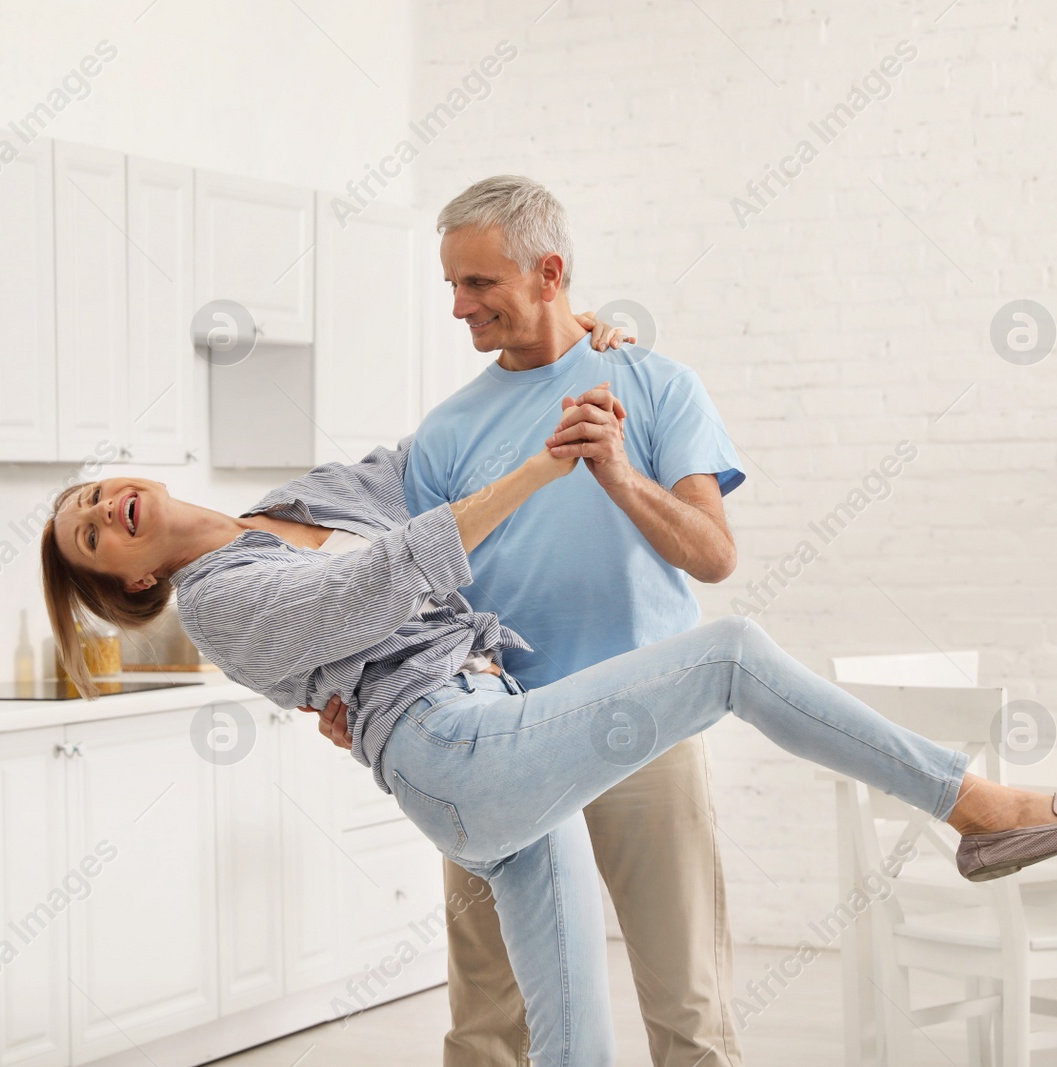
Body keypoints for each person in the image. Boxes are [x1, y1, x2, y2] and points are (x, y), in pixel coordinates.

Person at [38, 426, 1057, 1067]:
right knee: (729, 655)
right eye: (90, 533)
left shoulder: (299, 495)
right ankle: (972, 806)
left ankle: (975, 810)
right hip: (453, 748)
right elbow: (369, 583)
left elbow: (427, 451)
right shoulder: (220, 599)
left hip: (483, 728)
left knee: (574, 1036)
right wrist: (534, 471)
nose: (106, 508)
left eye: (96, 490)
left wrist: (591, 357)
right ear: (127, 579)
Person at [316, 174, 751, 1067]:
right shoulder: (441, 438)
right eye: (450, 284)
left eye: (478, 284)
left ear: (549, 273)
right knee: (487, 1020)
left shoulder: (656, 385)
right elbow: (412, 604)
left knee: (689, 1008)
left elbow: (713, 554)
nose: (458, 307)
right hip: (495, 736)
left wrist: (621, 477)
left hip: (647, 722)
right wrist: (354, 694)